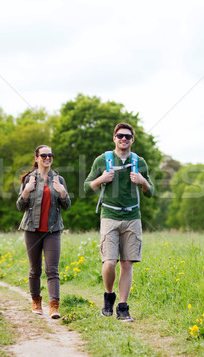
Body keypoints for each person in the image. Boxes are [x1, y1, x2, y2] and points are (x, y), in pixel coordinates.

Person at [84, 123, 154, 322]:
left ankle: (123, 307)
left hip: (132, 217)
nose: (124, 139)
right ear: (114, 138)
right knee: (109, 262)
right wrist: (101, 179)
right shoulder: (102, 160)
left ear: (132, 140)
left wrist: (143, 181)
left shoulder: (139, 162)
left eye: (128, 136)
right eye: (120, 135)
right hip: (109, 215)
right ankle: (109, 295)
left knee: (127, 263)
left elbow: (151, 193)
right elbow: (86, 186)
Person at [17, 145, 71, 319]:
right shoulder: (28, 179)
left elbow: (67, 206)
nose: (47, 158)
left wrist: (63, 193)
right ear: (36, 158)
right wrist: (26, 192)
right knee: (35, 270)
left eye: (50, 155)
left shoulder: (58, 179)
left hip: (52, 230)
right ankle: (36, 302)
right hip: (32, 229)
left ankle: (54, 306)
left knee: (52, 270)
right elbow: (19, 206)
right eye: (44, 155)